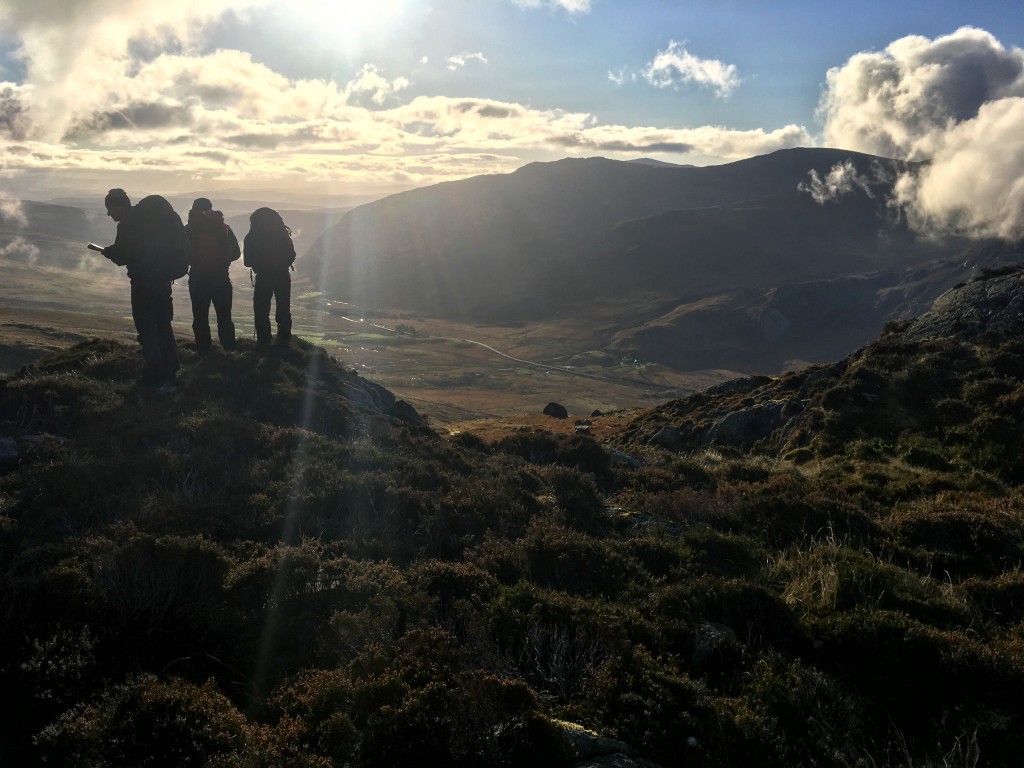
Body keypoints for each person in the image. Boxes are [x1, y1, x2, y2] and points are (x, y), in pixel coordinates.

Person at [100, 188, 185, 393]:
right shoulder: (150, 220)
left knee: (147, 329)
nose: (110, 214)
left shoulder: (129, 224)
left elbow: (124, 255)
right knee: (163, 326)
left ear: (118, 206)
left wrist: (110, 252)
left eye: (110, 209)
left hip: (143, 283)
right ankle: (170, 373)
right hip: (163, 281)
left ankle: (153, 374)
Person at [185, 197, 241, 353]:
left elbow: (183, 253)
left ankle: (203, 352)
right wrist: (222, 260)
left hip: (198, 279)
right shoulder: (223, 227)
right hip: (221, 278)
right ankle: (229, 351)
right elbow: (236, 253)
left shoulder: (189, 229)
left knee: (200, 318)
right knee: (224, 318)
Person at [243, 207, 295, 346]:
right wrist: (280, 265)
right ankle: (284, 342)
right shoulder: (282, 234)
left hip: (264, 277)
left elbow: (247, 261)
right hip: (282, 276)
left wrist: (260, 264)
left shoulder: (251, 236)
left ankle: (263, 342)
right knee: (283, 310)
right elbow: (291, 255)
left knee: (261, 311)